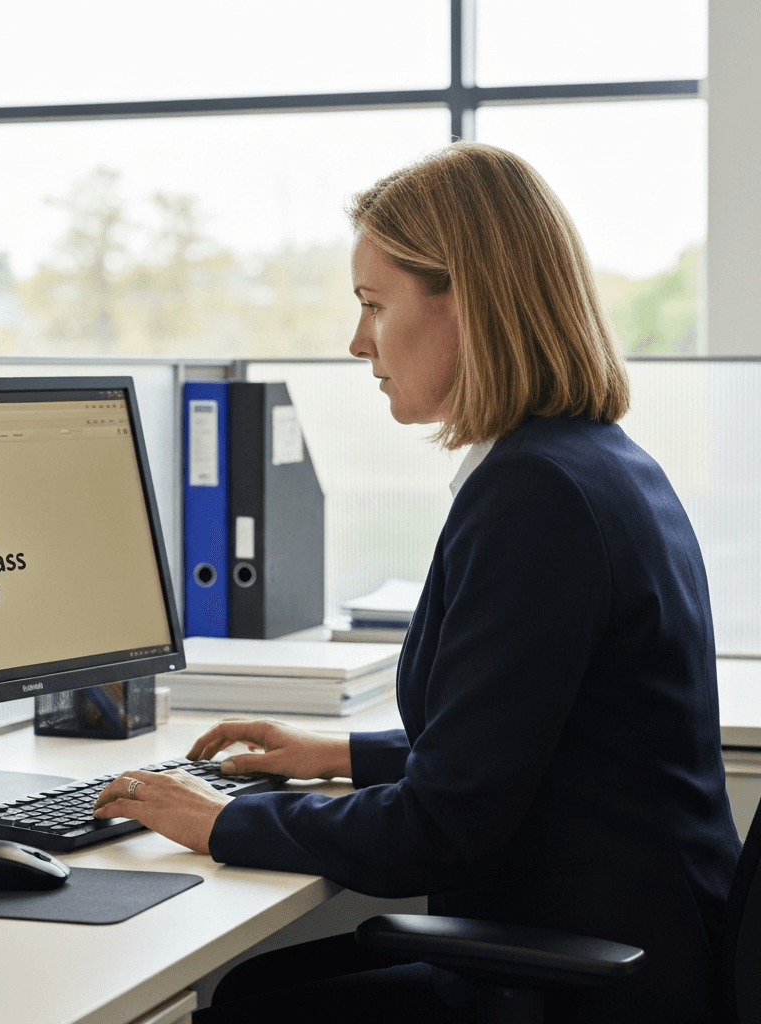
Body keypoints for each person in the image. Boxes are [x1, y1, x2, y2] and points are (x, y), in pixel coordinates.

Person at [93, 141, 742, 1024]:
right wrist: (339, 755)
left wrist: (217, 821)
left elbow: (442, 829)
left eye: (373, 305)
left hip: (594, 986)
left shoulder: (536, 494)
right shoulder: (594, 462)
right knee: (252, 989)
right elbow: (541, 750)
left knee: (240, 1006)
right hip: (641, 946)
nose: (357, 342)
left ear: (467, 303)